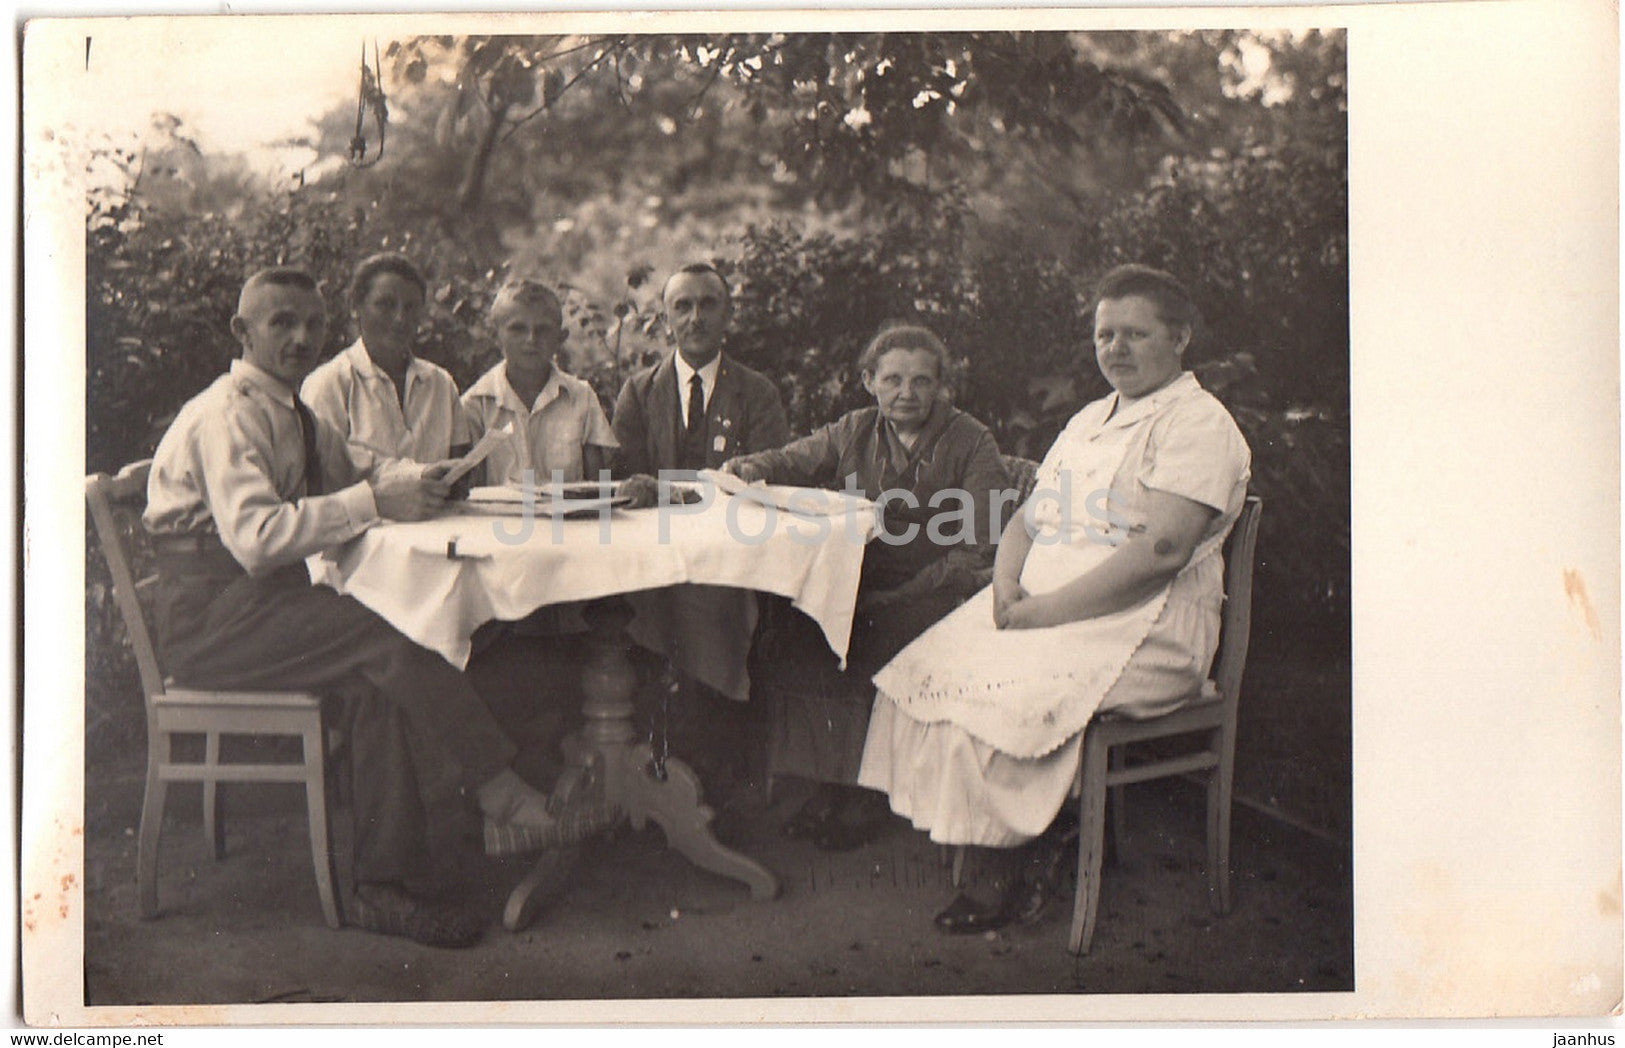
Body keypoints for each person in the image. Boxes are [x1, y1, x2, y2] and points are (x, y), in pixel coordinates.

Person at [143, 267, 615, 949]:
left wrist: (416, 481)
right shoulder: (229, 413)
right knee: (388, 635)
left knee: (384, 668)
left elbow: (358, 479)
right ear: (241, 332)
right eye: (282, 323)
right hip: (208, 625)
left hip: (254, 608)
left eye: (311, 322)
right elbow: (255, 540)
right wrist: (370, 502)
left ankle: (383, 888)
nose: (302, 337)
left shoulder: (291, 408)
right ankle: (499, 791)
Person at [856, 265, 1252, 933]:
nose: (1115, 348)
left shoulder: (1197, 424)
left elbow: (1158, 553)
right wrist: (1007, 585)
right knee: (920, 673)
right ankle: (1007, 835)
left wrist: (1042, 613)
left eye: (1134, 333)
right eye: (1104, 335)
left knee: (1003, 697)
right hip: (1042, 606)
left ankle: (1024, 854)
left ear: (1179, 338)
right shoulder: (1090, 419)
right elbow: (1027, 519)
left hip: (1141, 624)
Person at [723, 322, 1010, 851]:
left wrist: (902, 593)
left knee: (863, 634)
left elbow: (982, 547)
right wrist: (748, 466)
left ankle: (869, 795)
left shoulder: (970, 441)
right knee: (796, 626)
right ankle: (829, 783)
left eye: (922, 381)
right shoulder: (856, 428)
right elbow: (792, 458)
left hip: (941, 590)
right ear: (868, 381)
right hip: (863, 578)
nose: (907, 393)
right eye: (893, 379)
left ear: (941, 386)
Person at [610, 262, 793, 786]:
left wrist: (674, 489)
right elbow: (628, 478)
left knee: (719, 620)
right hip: (653, 554)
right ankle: (659, 772)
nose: (695, 318)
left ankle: (712, 780)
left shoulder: (757, 394)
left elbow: (766, 479)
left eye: (708, 304)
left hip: (732, 554)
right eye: (682, 307)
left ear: (728, 314)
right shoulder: (639, 393)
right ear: (666, 320)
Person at [301, 253, 472, 464]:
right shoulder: (329, 384)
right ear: (355, 307)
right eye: (385, 305)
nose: (400, 318)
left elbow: (460, 469)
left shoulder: (440, 384)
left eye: (410, 307)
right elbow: (322, 477)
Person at [460, 279, 621, 487]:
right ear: (495, 335)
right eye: (518, 329)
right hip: (500, 517)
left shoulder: (581, 397)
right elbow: (471, 490)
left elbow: (599, 484)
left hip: (568, 517)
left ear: (561, 337)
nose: (531, 339)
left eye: (543, 329)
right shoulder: (476, 404)